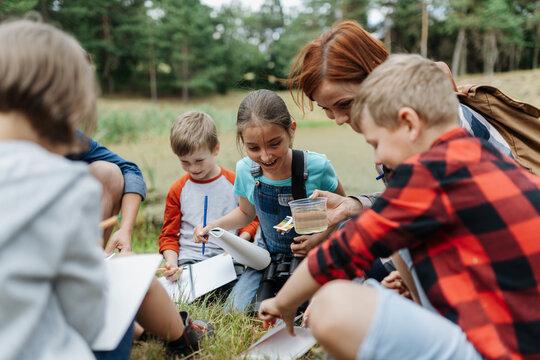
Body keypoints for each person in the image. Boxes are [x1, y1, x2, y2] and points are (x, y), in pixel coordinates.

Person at [259, 54, 540, 360]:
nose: (378, 159)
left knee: (334, 305)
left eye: (376, 143)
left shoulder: (432, 174)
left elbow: (343, 251)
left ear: (409, 123)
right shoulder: (492, 161)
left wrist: (282, 302)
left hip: (497, 349)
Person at [0, 20, 212, 359]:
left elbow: (128, 170)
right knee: (131, 282)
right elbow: (87, 311)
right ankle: (181, 338)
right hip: (58, 344)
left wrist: (124, 229)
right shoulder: (64, 185)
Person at [288, 19, 516, 299]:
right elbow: (414, 199)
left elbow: (432, 218)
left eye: (345, 104)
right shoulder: (405, 120)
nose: (337, 119)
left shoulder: (434, 129)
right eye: (326, 109)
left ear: (376, 77)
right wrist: (352, 205)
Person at [194, 89, 346, 312]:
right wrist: (213, 227)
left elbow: (344, 212)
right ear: (242, 141)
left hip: (314, 252)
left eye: (275, 144)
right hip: (265, 258)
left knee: (320, 310)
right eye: (253, 148)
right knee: (235, 311)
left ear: (291, 131)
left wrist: (318, 239)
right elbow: (246, 213)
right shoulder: (246, 170)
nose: (265, 156)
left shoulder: (317, 167)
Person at [158, 110, 259, 283]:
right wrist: (171, 264)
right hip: (188, 261)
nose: (193, 168)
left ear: (216, 149)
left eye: (199, 161)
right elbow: (169, 235)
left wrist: (239, 244)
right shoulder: (178, 189)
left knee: (239, 290)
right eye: (185, 162)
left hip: (228, 260)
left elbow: (252, 219)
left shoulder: (236, 182)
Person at [67, 132, 147, 254]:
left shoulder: (65, 134)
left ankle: (89, 260)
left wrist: (125, 230)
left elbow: (130, 170)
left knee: (108, 172)